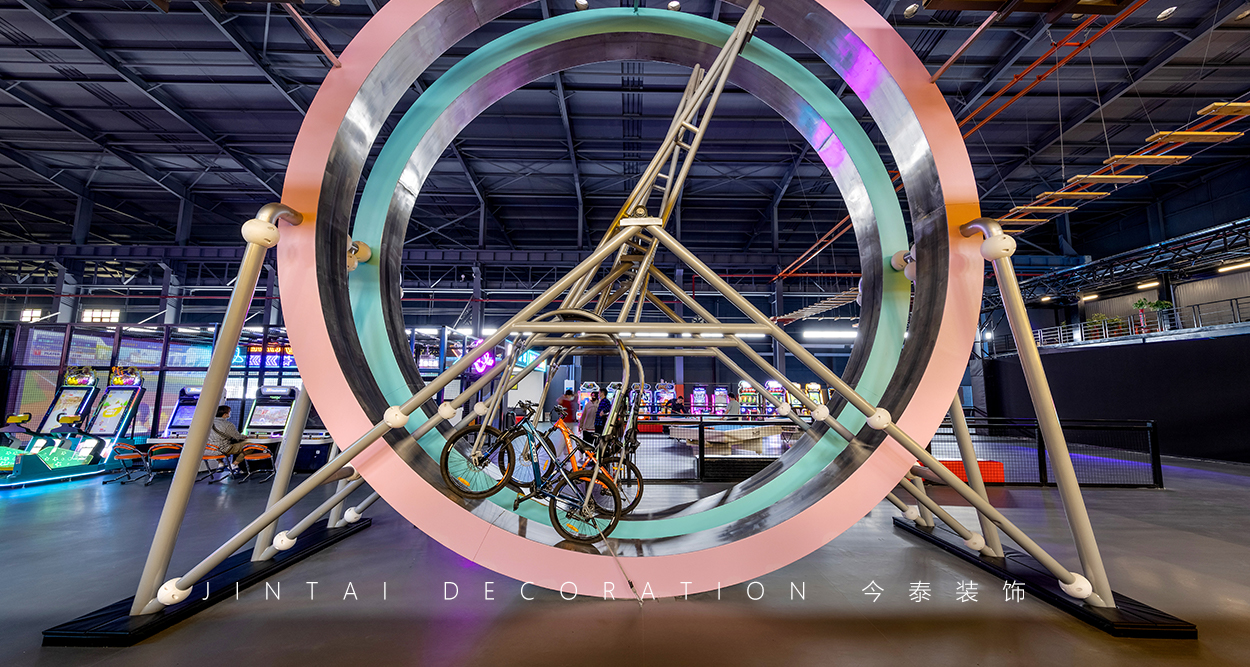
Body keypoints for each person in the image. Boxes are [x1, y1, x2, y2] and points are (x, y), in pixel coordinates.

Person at [208, 405, 248, 469]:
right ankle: (234, 464)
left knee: (217, 444)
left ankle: (220, 463)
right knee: (249, 446)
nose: (230, 413)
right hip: (224, 449)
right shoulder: (228, 425)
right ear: (225, 414)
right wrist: (245, 437)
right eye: (229, 412)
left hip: (210, 449)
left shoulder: (208, 423)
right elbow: (238, 437)